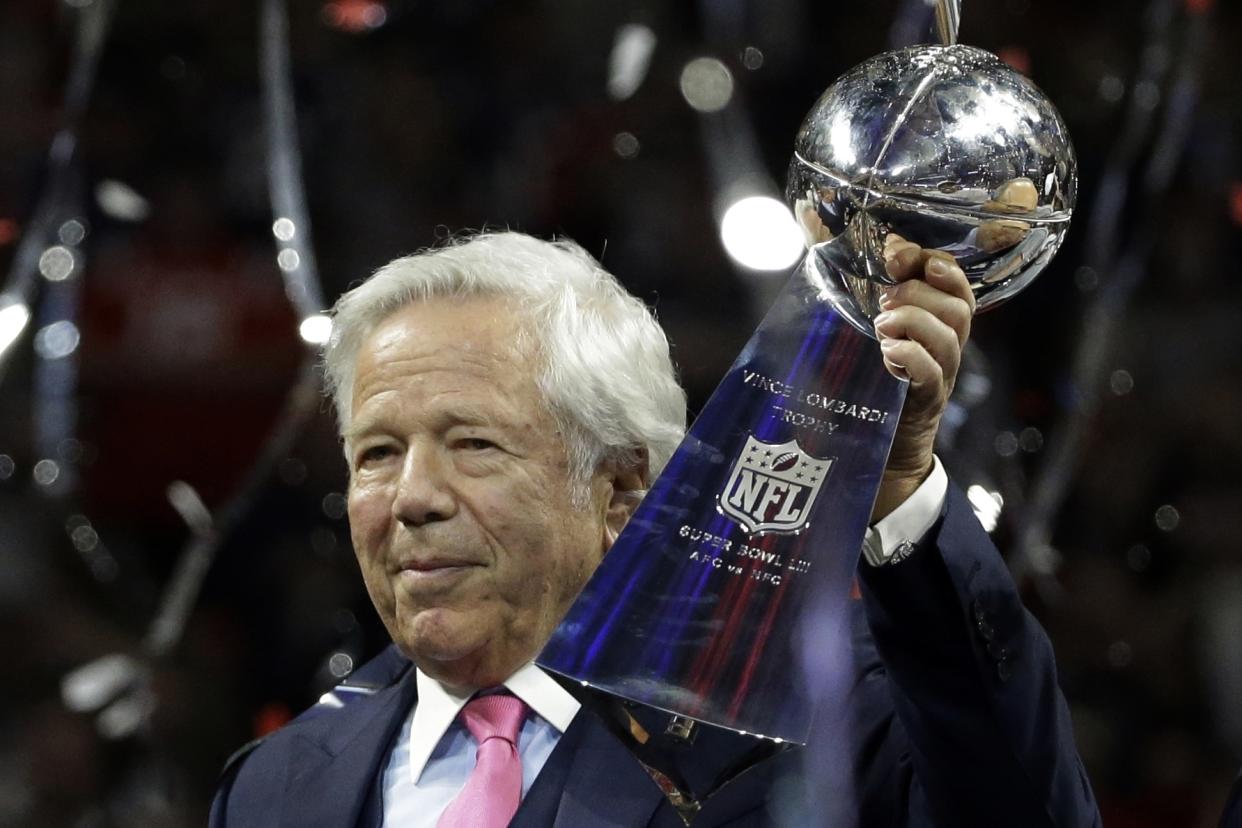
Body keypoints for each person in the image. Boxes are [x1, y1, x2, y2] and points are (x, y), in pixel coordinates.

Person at [210, 231, 1102, 826]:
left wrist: (900, 489)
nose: (411, 496)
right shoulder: (272, 788)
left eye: (472, 444)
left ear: (622, 489)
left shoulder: (810, 727)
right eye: (375, 454)